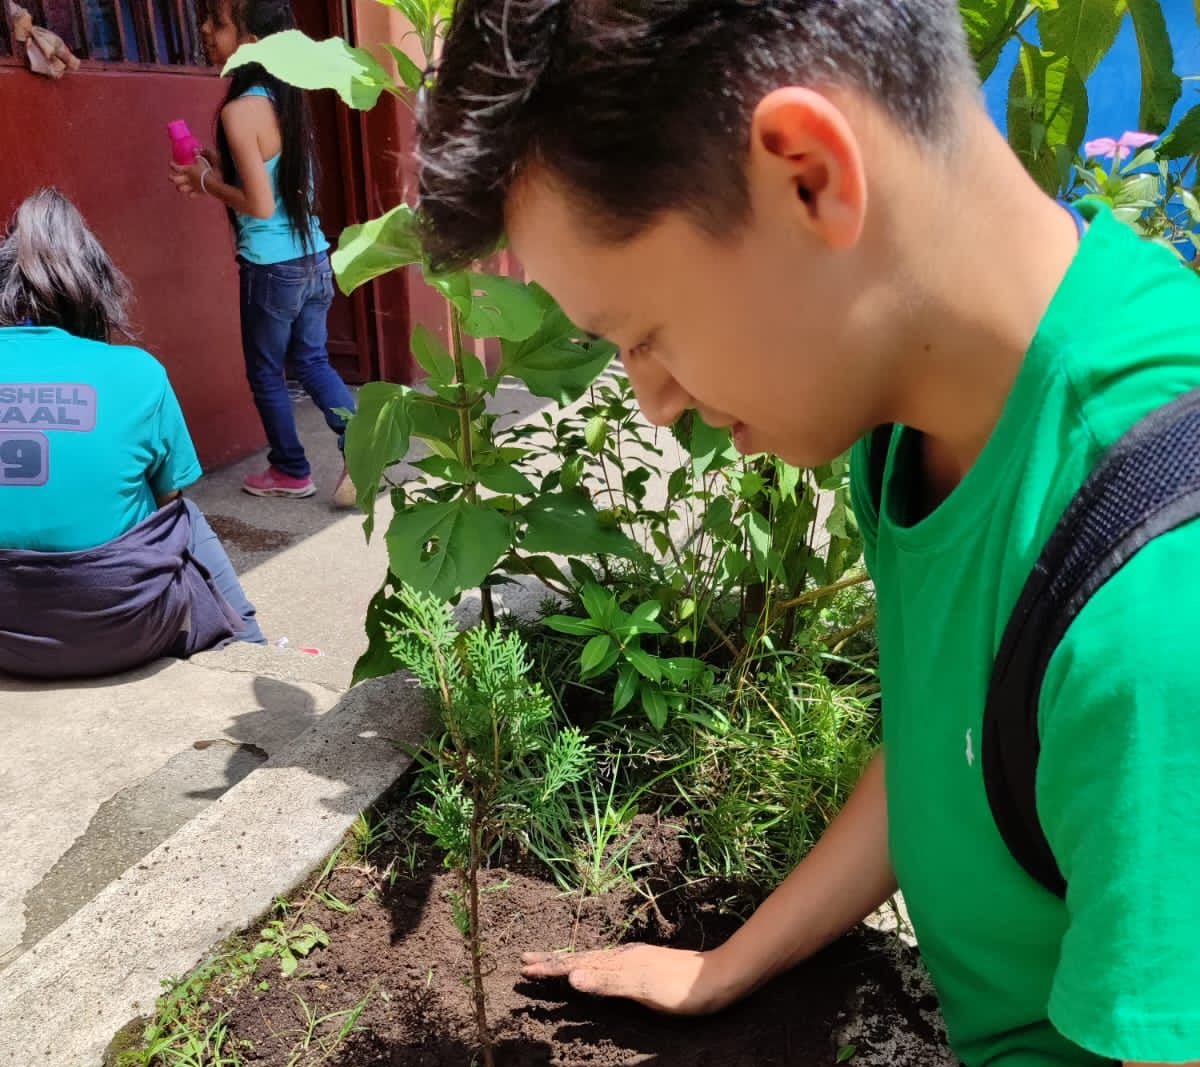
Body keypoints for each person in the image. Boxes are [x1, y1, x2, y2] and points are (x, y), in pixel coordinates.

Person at [414, 3, 1200, 1066]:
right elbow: (950, 749)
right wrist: (727, 963)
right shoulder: (918, 426)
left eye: (644, 335)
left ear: (809, 175)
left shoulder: (1156, 604)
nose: (651, 400)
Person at [0, 188, 265, 679]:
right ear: (95, 285)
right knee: (186, 514)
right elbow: (170, 500)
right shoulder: (137, 372)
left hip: (6, 643)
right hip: (124, 630)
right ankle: (250, 641)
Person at [169, 0, 357, 507]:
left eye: (218, 22)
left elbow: (259, 202)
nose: (205, 30)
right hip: (315, 258)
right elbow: (271, 182)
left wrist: (205, 181)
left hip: (273, 269)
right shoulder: (283, 96)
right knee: (313, 360)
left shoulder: (238, 109)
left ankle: (291, 469)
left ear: (250, 39)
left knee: (266, 372)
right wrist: (216, 170)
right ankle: (364, 452)